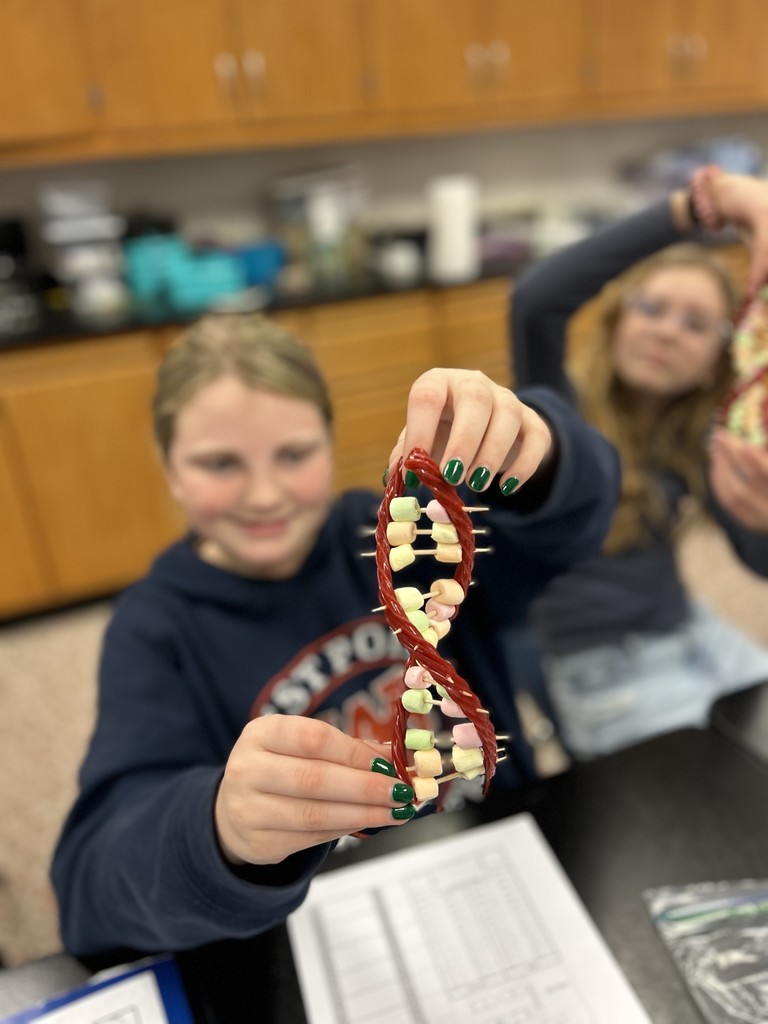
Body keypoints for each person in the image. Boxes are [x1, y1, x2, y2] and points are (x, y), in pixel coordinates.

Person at [51, 313, 619, 962]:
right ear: (170, 469)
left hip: (500, 861)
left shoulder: (406, 533)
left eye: (293, 455)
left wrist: (541, 452)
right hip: (320, 934)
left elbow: (573, 528)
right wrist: (217, 830)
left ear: (330, 440)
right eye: (219, 463)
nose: (264, 494)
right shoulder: (156, 630)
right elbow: (90, 891)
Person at [511, 169, 768, 761]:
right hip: (601, 667)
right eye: (651, 307)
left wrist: (761, 520)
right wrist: (700, 208)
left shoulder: (701, 436)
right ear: (617, 320)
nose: (666, 332)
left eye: (695, 323)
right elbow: (536, 301)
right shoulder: (556, 417)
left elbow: (756, 564)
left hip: (695, 631)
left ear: (714, 360)